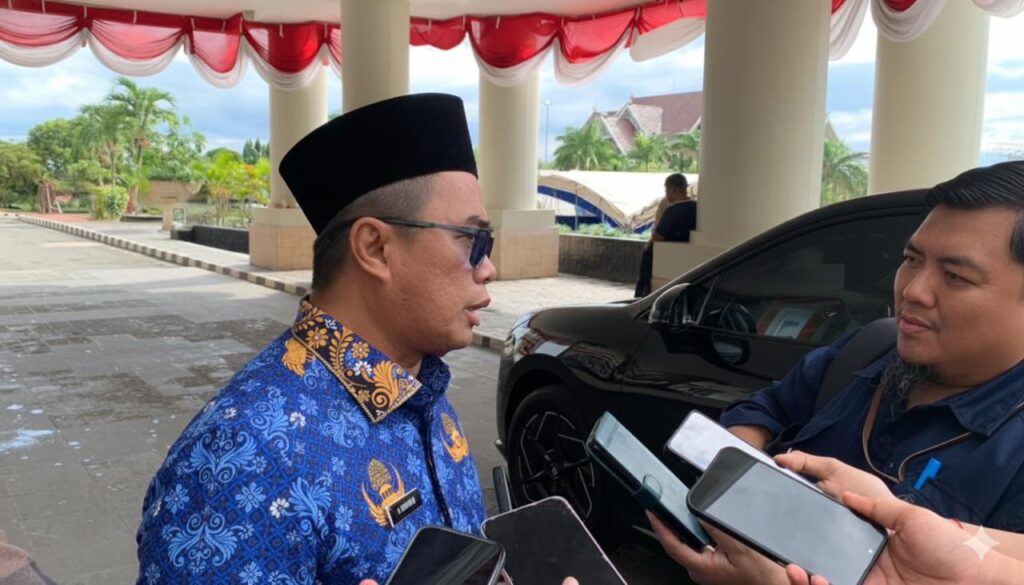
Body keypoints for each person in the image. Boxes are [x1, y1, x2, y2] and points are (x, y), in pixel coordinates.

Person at [135, 94, 499, 584]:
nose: (488, 268)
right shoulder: (244, 456)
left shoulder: (427, 398)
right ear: (375, 247)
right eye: (472, 241)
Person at [654, 161, 1024, 584]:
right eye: (911, 259)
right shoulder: (869, 350)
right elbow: (766, 408)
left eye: (955, 276)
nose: (913, 290)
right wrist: (742, 481)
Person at [635, 173, 697, 297]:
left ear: (674, 190)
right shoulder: (695, 207)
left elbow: (658, 237)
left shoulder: (673, 210)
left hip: (658, 256)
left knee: (645, 286)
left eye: (667, 190)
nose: (666, 194)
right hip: (684, 256)